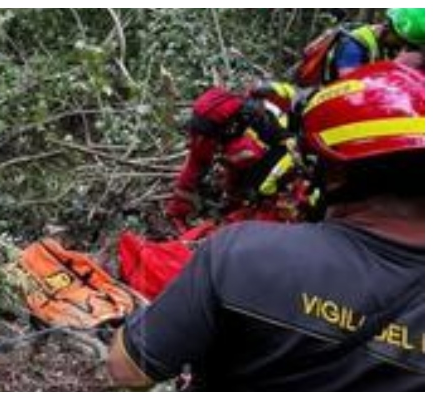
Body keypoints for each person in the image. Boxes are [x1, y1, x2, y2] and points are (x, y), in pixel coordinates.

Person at [107, 61, 424, 390]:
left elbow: (127, 369)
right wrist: (180, 208)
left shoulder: (241, 255)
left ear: (333, 173)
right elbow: (196, 167)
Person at [164, 81, 313, 230]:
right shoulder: (210, 130)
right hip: (279, 146)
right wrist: (177, 209)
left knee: (255, 166)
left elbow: (290, 146)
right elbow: (195, 165)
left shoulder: (260, 115)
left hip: (297, 146)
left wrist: (264, 193)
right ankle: (241, 197)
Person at [329, 8, 423, 80]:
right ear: (389, 29)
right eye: (403, 42)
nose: (405, 47)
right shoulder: (353, 45)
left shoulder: (391, 44)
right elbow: (348, 86)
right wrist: (394, 66)